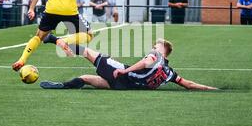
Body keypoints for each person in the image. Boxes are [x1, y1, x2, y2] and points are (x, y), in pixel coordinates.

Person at [40, 37, 218, 91]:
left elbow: (144, 62)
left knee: (87, 52)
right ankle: (62, 86)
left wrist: (125, 71)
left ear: (163, 48)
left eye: (155, 44)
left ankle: (54, 39)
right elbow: (189, 84)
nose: (153, 46)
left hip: (123, 74)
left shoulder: (156, 54)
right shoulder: (169, 73)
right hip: (126, 87)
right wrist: (213, 89)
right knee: (85, 79)